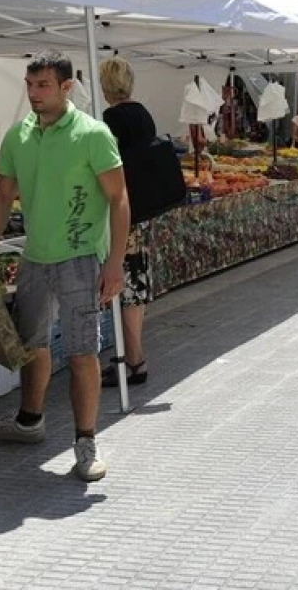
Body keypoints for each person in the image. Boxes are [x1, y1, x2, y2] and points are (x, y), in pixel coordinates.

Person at [0, 52, 129, 483]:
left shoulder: (93, 134)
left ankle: (86, 443)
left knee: (82, 354)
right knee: (32, 344)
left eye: (44, 86)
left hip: (80, 258)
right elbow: (2, 195)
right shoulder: (19, 135)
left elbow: (119, 199)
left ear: (66, 87)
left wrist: (114, 263)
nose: (34, 94)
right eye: (30, 85)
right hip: (35, 258)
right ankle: (29, 421)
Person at [98, 56, 170, 390]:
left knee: (121, 286)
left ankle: (134, 361)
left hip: (121, 212)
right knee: (135, 288)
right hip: (142, 211)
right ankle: (133, 358)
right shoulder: (143, 113)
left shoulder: (110, 119)